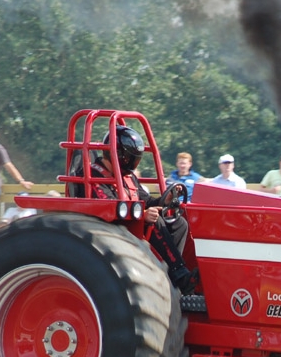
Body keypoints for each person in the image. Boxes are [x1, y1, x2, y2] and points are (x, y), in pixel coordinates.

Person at [83, 125, 197, 294]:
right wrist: (143, 215)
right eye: (130, 158)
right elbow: (107, 207)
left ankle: (170, 273)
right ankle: (180, 276)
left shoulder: (127, 176)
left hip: (132, 222)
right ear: (118, 155)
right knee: (155, 222)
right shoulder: (94, 175)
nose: (132, 162)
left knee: (179, 224)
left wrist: (164, 200)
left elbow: (146, 200)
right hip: (109, 227)